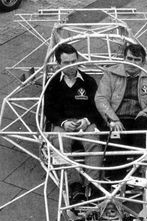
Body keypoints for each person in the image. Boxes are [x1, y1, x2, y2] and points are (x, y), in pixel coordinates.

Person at [44, 43, 103, 202]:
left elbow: (97, 107)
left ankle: (93, 183)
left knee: (94, 141)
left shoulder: (89, 81)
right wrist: (63, 123)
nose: (72, 66)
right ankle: (75, 185)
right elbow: (48, 110)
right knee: (60, 143)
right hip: (63, 124)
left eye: (74, 61)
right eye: (67, 63)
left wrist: (86, 120)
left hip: (85, 123)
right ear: (58, 64)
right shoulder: (52, 83)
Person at [95, 43, 147, 177]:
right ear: (124, 58)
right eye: (129, 58)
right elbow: (101, 98)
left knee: (142, 137)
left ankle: (137, 173)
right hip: (118, 119)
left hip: (139, 119)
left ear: (143, 61)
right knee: (116, 146)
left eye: (137, 60)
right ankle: (117, 181)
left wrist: (146, 112)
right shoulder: (111, 73)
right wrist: (113, 119)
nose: (132, 63)